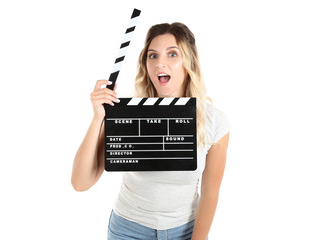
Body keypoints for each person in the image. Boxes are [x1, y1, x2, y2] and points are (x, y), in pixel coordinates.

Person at [71, 22, 230, 240]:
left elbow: (210, 193)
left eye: (172, 54)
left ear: (189, 61)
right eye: (152, 56)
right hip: (127, 230)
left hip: (184, 231)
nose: (160, 64)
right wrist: (98, 118)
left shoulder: (214, 121)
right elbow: (80, 182)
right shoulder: (127, 114)